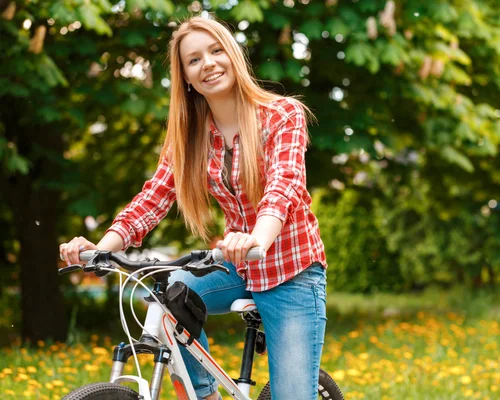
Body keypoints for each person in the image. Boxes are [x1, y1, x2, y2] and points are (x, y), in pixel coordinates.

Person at [59, 15, 327, 400]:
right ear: (185, 75)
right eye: (194, 60)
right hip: (239, 265)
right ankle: (205, 395)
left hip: (292, 269)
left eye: (217, 51)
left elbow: (283, 186)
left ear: (233, 55)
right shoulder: (190, 135)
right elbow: (152, 198)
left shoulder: (282, 114)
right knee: (170, 297)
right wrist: (102, 248)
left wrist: (257, 237)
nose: (209, 64)